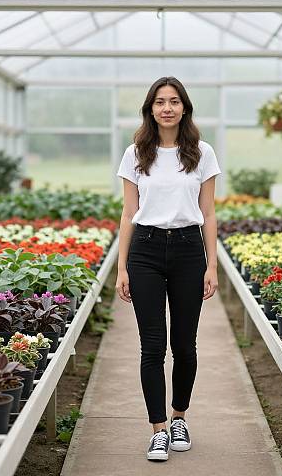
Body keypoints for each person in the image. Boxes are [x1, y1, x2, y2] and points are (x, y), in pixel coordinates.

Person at [115, 76, 221, 462]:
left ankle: (179, 417)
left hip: (189, 250)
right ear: (150, 108)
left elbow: (208, 213)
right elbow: (128, 213)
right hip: (144, 249)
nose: (167, 108)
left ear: (184, 107)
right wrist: (121, 267)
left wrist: (213, 265)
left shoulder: (201, 152)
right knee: (152, 346)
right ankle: (157, 428)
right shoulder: (136, 153)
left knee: (185, 344)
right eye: (160, 101)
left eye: (174, 101)